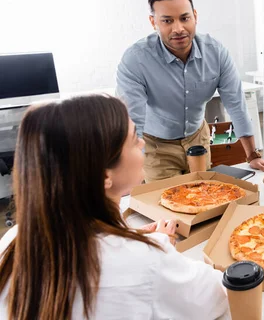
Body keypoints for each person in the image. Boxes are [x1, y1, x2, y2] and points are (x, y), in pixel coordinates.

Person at [0, 95, 230, 319]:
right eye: (133, 139)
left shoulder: (11, 242)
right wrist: (156, 247)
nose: (142, 143)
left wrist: (133, 238)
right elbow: (221, 294)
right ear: (104, 175)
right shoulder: (146, 260)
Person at [117, 0, 264, 182]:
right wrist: (130, 171)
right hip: (156, 146)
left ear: (195, 16)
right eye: (167, 21)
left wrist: (252, 155)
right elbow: (132, 120)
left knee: (204, 197)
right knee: (167, 203)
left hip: (198, 138)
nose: (178, 28)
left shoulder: (216, 52)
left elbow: (236, 105)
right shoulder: (135, 60)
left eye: (184, 18)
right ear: (153, 22)